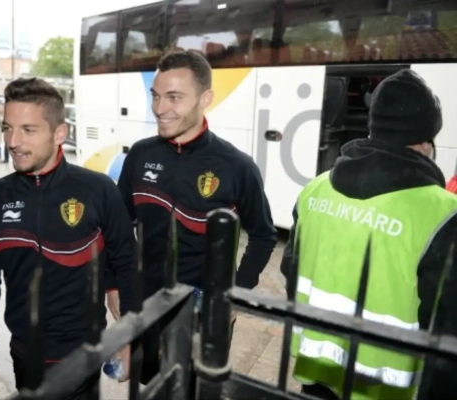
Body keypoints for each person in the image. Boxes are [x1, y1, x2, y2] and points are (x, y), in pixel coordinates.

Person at [280, 69, 457, 399]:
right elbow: (447, 322)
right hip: (385, 388)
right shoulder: (444, 213)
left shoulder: (315, 189)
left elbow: (291, 268)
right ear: (425, 143)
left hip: (318, 368)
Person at [106, 49, 277, 383]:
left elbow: (263, 236)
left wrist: (235, 296)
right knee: (150, 385)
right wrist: (112, 283)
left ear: (205, 99)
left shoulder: (237, 166)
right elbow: (119, 227)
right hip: (145, 301)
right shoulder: (140, 154)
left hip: (205, 308)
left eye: (174, 97)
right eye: (156, 96)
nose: (159, 108)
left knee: (195, 389)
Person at [0, 78, 134, 399]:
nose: (13, 141)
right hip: (24, 355)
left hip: (85, 353)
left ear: (59, 134)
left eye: (28, 130)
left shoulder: (98, 190)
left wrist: (128, 336)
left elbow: (126, 262)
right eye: (8, 128)